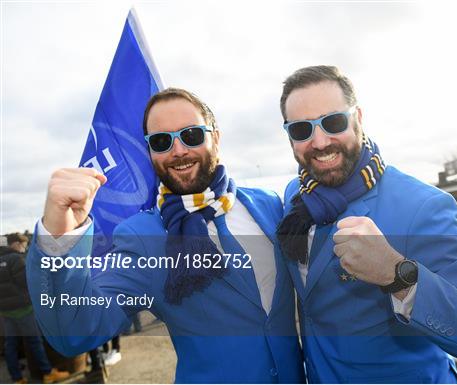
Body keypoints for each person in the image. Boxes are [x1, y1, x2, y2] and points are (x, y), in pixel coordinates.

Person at [25, 88, 305, 383]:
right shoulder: (141, 236)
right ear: (150, 152)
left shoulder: (268, 204)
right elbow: (73, 330)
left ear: (216, 139)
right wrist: (58, 238)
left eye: (192, 135)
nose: (179, 150)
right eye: (161, 141)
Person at [276, 65, 457, 383]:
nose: (319, 141)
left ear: (357, 118)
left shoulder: (422, 206)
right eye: (301, 129)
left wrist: (397, 275)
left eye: (333, 122)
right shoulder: (298, 194)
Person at [0, 233, 70, 384]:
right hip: (24, 308)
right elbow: (28, 282)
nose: (24, 248)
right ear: (15, 244)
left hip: (5, 311)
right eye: (23, 245)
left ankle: (17, 378)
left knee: (10, 344)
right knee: (35, 341)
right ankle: (47, 373)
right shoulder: (15, 259)